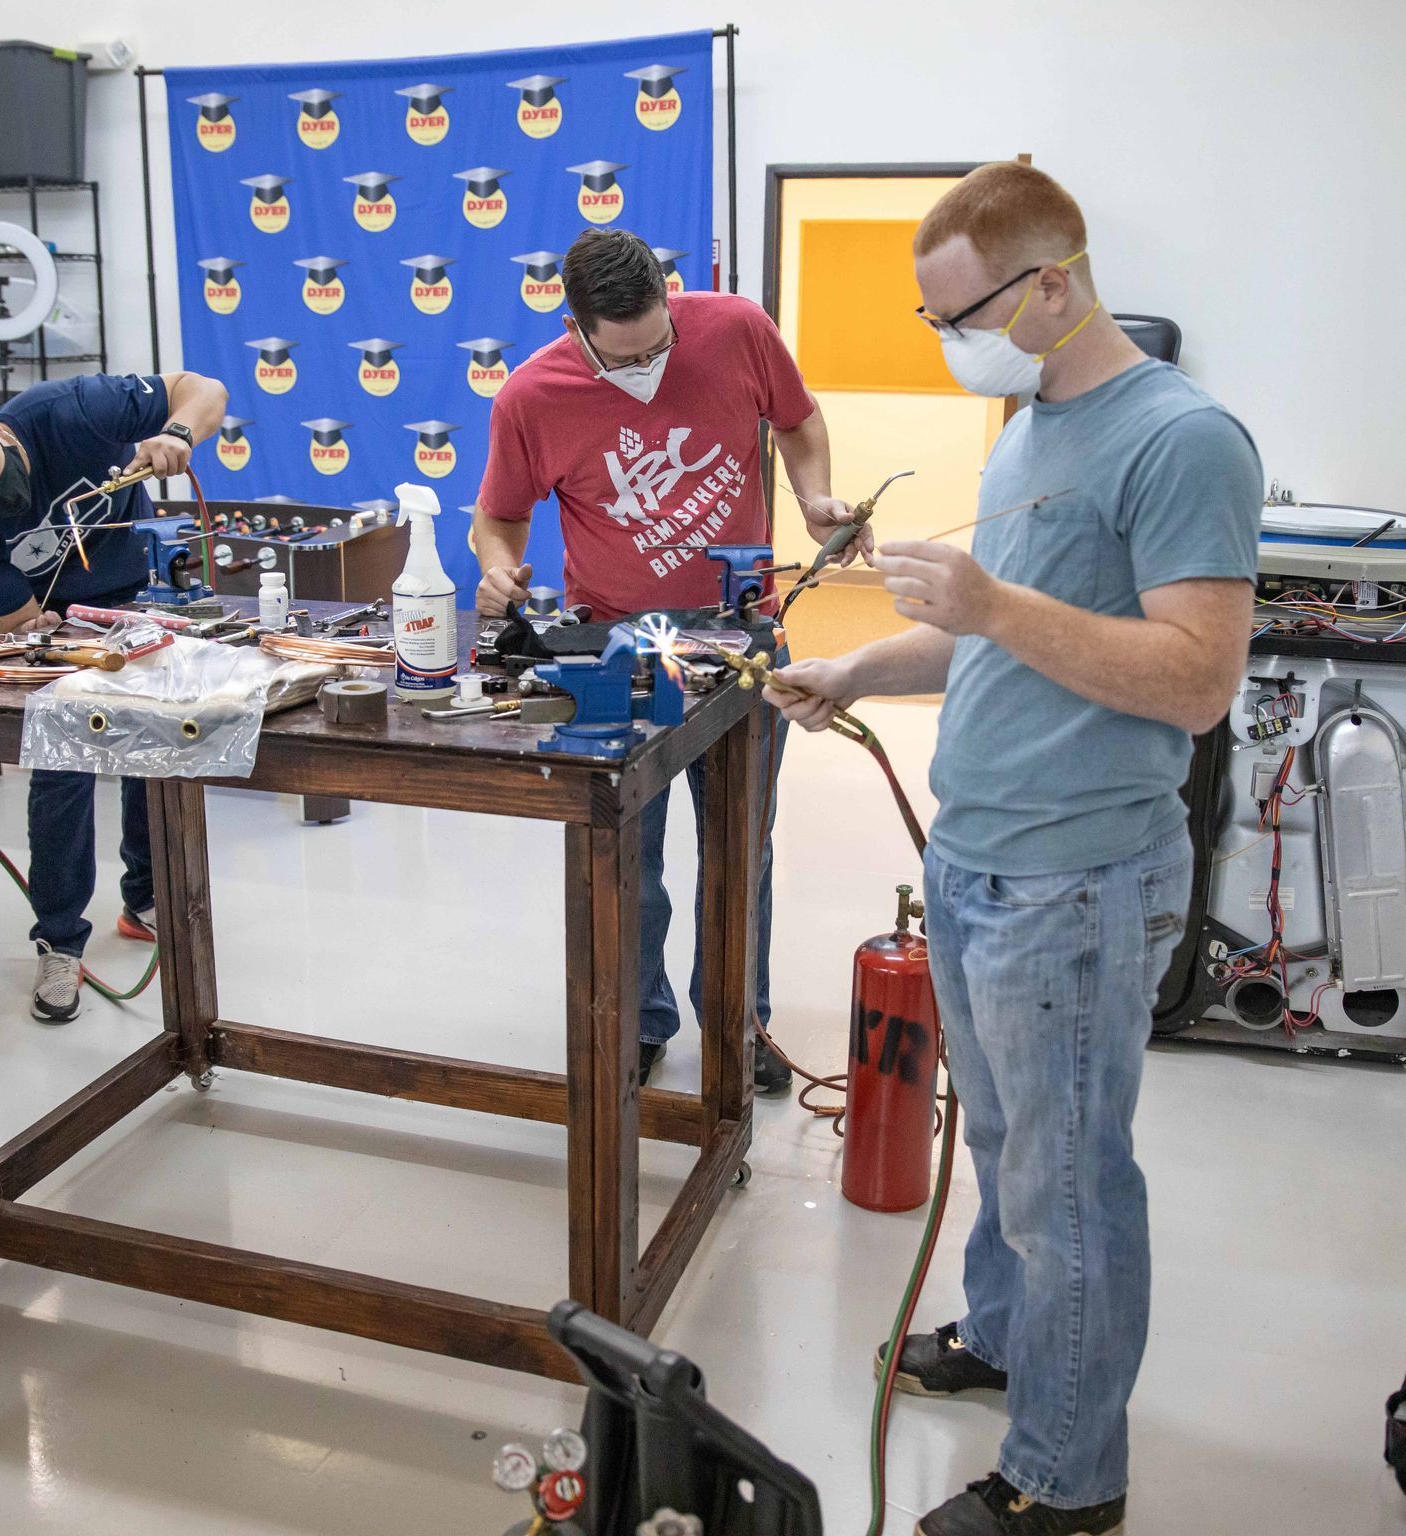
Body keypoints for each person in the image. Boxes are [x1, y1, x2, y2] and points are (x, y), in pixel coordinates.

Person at [769, 163, 1261, 1536]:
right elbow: (999, 631)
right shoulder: (1032, 418)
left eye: (961, 316)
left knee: (1069, 1183)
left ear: (1055, 280)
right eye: (933, 324)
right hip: (980, 859)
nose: (949, 345)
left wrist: (990, 601)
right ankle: (1002, 1342)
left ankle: (1065, 1479)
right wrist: (863, 665)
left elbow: (1195, 679)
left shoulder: (1182, 440)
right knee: (1001, 1142)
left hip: (1077, 878)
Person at [473, 228, 869, 1092]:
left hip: (744, 638)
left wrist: (813, 499)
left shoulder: (735, 329)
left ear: (668, 295)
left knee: (741, 853)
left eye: (659, 345)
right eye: (626, 359)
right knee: (629, 856)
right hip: (619, 655)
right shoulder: (531, 396)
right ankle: (639, 1023)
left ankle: (739, 1019)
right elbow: (497, 518)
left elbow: (799, 421)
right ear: (577, 329)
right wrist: (499, 569)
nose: (650, 366)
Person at [0, 367, 227, 1022]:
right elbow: (14, 619)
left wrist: (175, 434)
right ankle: (59, 939)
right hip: (63, 627)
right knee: (64, 764)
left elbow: (205, 388)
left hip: (138, 599)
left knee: (153, 749)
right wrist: (48, 629)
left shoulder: (72, 412)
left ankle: (147, 900)